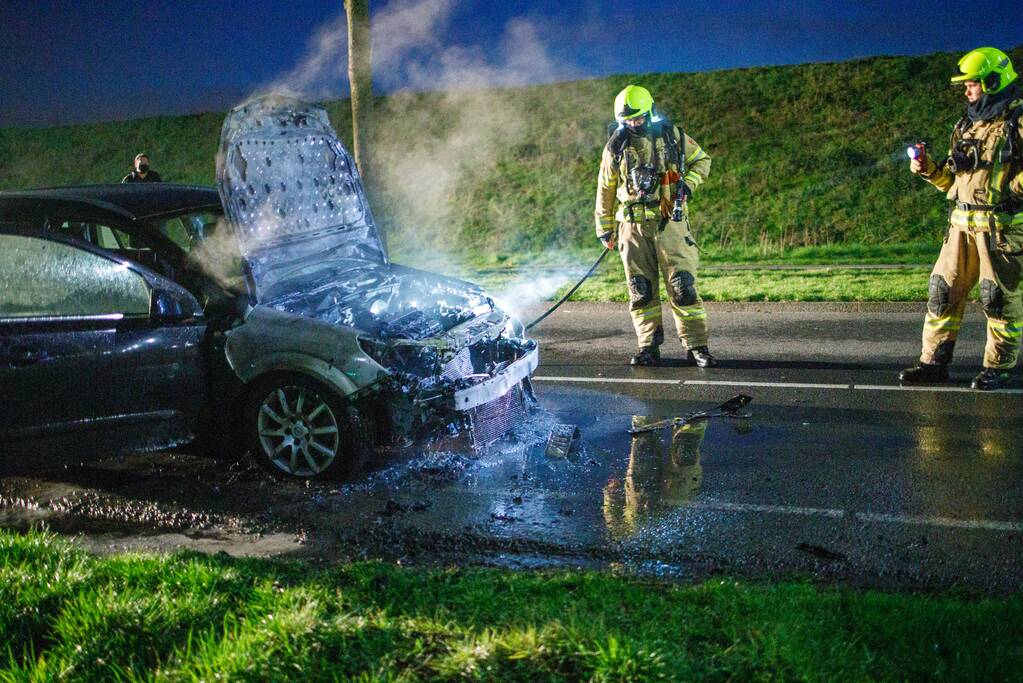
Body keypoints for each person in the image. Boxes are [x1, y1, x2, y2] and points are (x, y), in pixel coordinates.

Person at [900, 47, 1023, 391]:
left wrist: (1011, 187)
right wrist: (929, 170)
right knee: (942, 291)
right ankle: (933, 363)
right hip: (961, 226)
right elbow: (953, 184)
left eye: (973, 84)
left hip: (1001, 230)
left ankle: (997, 367)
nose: (967, 91)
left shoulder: (1018, 120)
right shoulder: (967, 124)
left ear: (994, 81)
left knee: (997, 299)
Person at [595, 85, 714, 367]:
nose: (633, 123)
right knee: (640, 290)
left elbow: (702, 161)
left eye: (637, 118)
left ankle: (697, 346)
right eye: (628, 120)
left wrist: (689, 184)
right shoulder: (616, 145)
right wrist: (605, 227)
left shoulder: (672, 136)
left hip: (670, 224)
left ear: (649, 111)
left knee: (683, 286)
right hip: (632, 229)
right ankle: (648, 346)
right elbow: (605, 187)